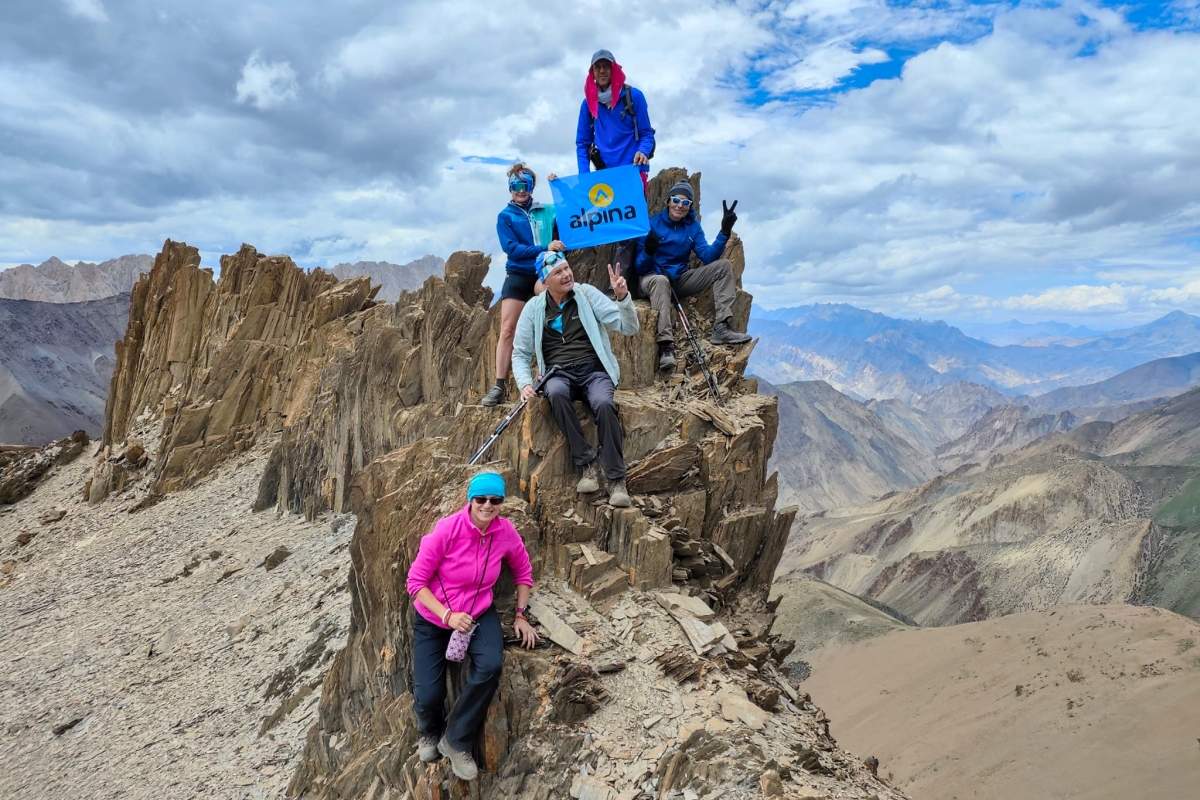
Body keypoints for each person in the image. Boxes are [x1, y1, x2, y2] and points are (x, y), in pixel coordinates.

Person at [405, 471, 538, 781]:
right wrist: (447, 616)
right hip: (433, 617)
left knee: (490, 665)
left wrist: (520, 614)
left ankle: (455, 739)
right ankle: (429, 731)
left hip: (478, 613)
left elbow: (524, 573)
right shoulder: (446, 530)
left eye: (495, 500)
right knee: (428, 693)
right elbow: (415, 582)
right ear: (471, 499)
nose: (487, 505)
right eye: (481, 499)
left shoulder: (505, 533)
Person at [511, 251, 639, 507]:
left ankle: (616, 480)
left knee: (603, 404)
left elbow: (628, 327)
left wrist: (622, 297)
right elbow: (521, 353)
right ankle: (586, 464)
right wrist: (525, 383)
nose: (567, 274)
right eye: (558, 272)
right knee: (556, 393)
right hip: (558, 373)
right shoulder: (534, 309)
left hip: (594, 370)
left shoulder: (586, 294)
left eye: (567, 268)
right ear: (545, 280)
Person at [635, 181, 751, 370]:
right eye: (676, 200)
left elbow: (707, 256)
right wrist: (648, 251)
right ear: (668, 201)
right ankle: (666, 346)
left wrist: (724, 231)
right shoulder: (652, 224)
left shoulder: (693, 228)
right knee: (661, 281)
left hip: (679, 280)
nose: (680, 205)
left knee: (723, 266)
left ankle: (721, 328)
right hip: (651, 279)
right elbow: (639, 267)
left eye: (686, 202)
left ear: (690, 206)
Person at [481, 163, 565, 407]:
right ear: (509, 187)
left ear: (531, 186)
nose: (520, 190)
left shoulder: (545, 211)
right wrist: (543, 247)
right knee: (508, 329)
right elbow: (512, 249)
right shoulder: (505, 216)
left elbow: (570, 214)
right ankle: (499, 385)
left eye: (525, 184)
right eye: (515, 185)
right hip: (518, 274)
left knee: (550, 314)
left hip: (543, 273)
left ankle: (550, 372)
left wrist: (559, 187)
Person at [575, 49, 655, 184]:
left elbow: (647, 134)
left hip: (633, 172)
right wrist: (584, 176)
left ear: (614, 69)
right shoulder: (587, 104)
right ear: (592, 72)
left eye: (606, 66)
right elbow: (583, 143)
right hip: (604, 175)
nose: (602, 71)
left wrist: (643, 151)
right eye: (597, 67)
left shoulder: (634, 96)